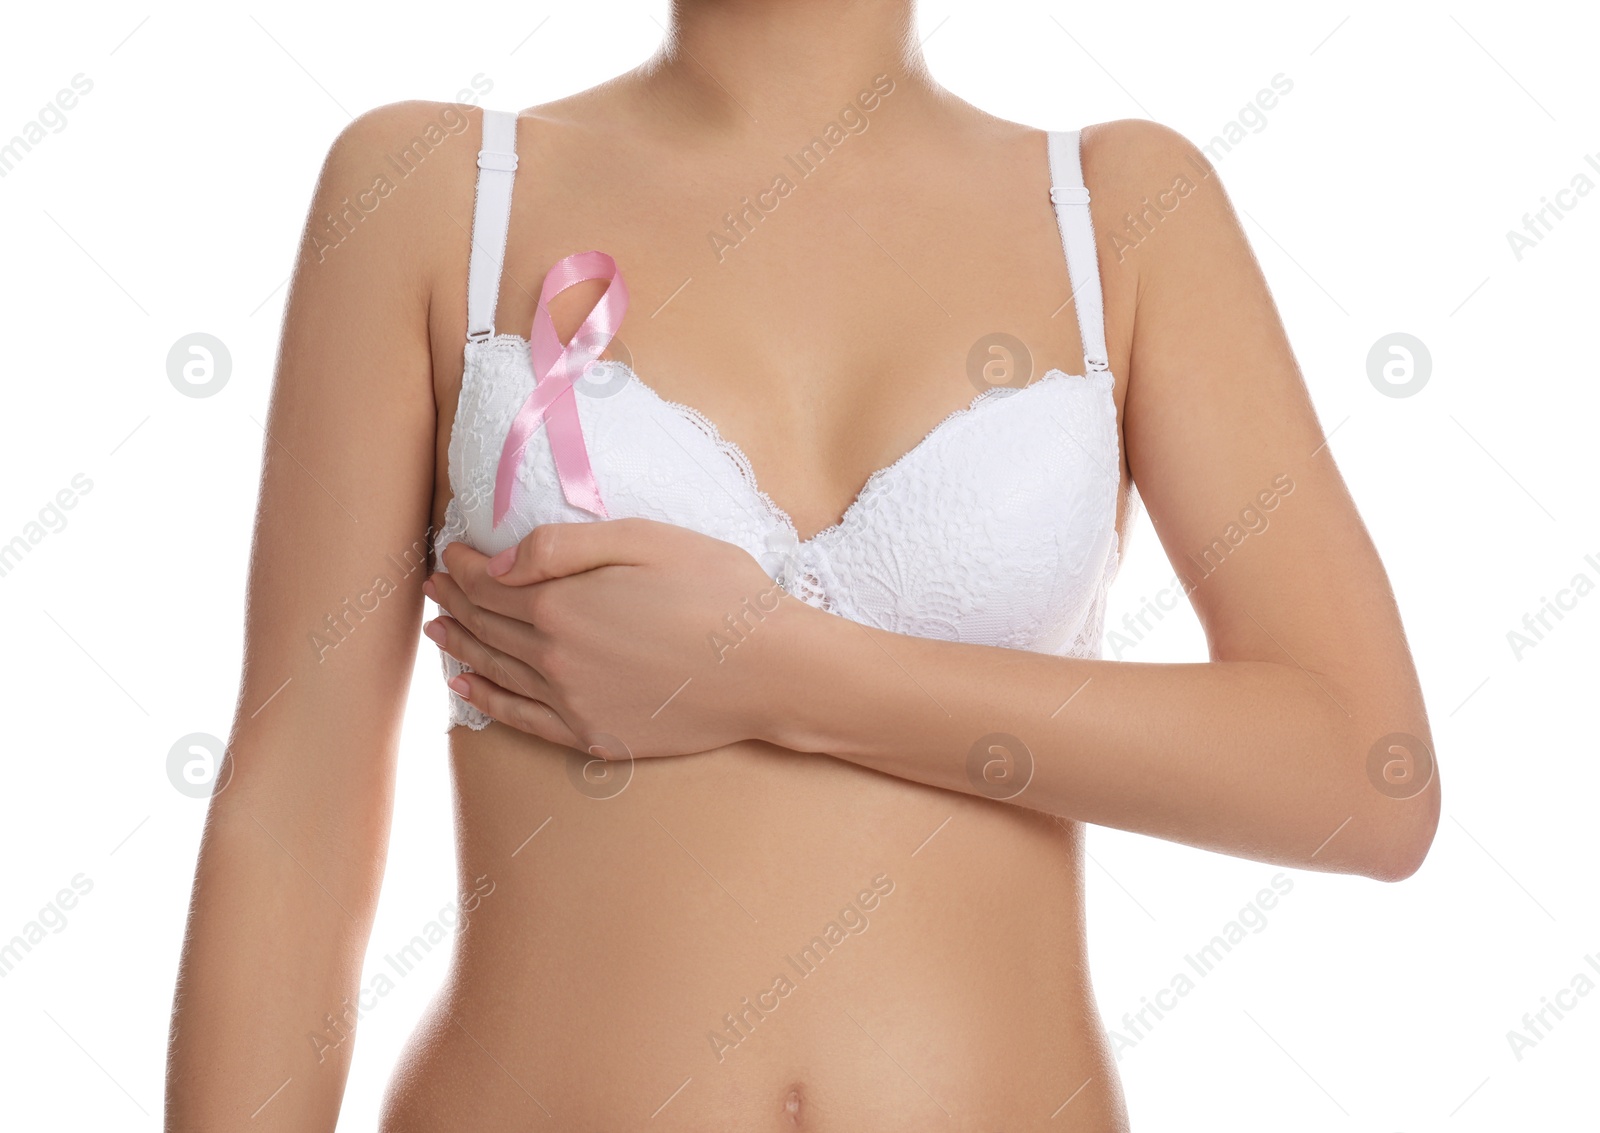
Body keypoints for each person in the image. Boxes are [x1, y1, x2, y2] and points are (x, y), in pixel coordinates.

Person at [166, 3, 1439, 1128]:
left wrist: (775, 669)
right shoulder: (436, 187)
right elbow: (296, 806)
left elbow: (1363, 775)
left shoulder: (1120, 209)